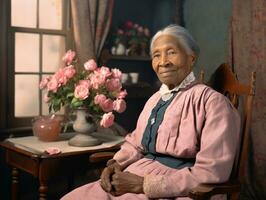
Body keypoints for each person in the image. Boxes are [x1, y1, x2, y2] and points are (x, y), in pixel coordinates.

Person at [61, 24, 240, 200]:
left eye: (171, 52)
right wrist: (115, 165)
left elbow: (210, 173)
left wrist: (142, 184)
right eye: (156, 55)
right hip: (134, 174)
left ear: (191, 58)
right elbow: (135, 143)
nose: (163, 62)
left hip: (180, 189)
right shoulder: (155, 99)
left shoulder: (214, 103)